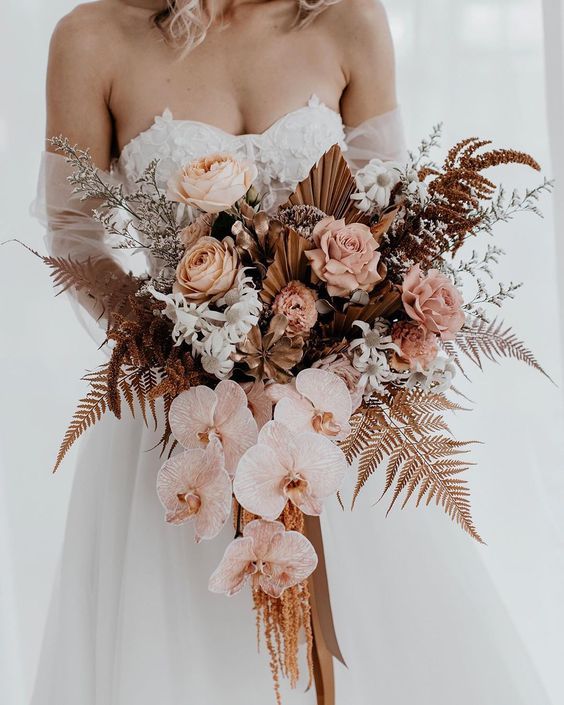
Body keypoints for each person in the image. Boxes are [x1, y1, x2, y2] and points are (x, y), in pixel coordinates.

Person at [31, 2, 551, 704]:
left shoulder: (347, 21)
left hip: (335, 421)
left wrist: (330, 365)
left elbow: (393, 221)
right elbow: (72, 234)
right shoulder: (93, 38)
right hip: (185, 424)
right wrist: (188, 356)